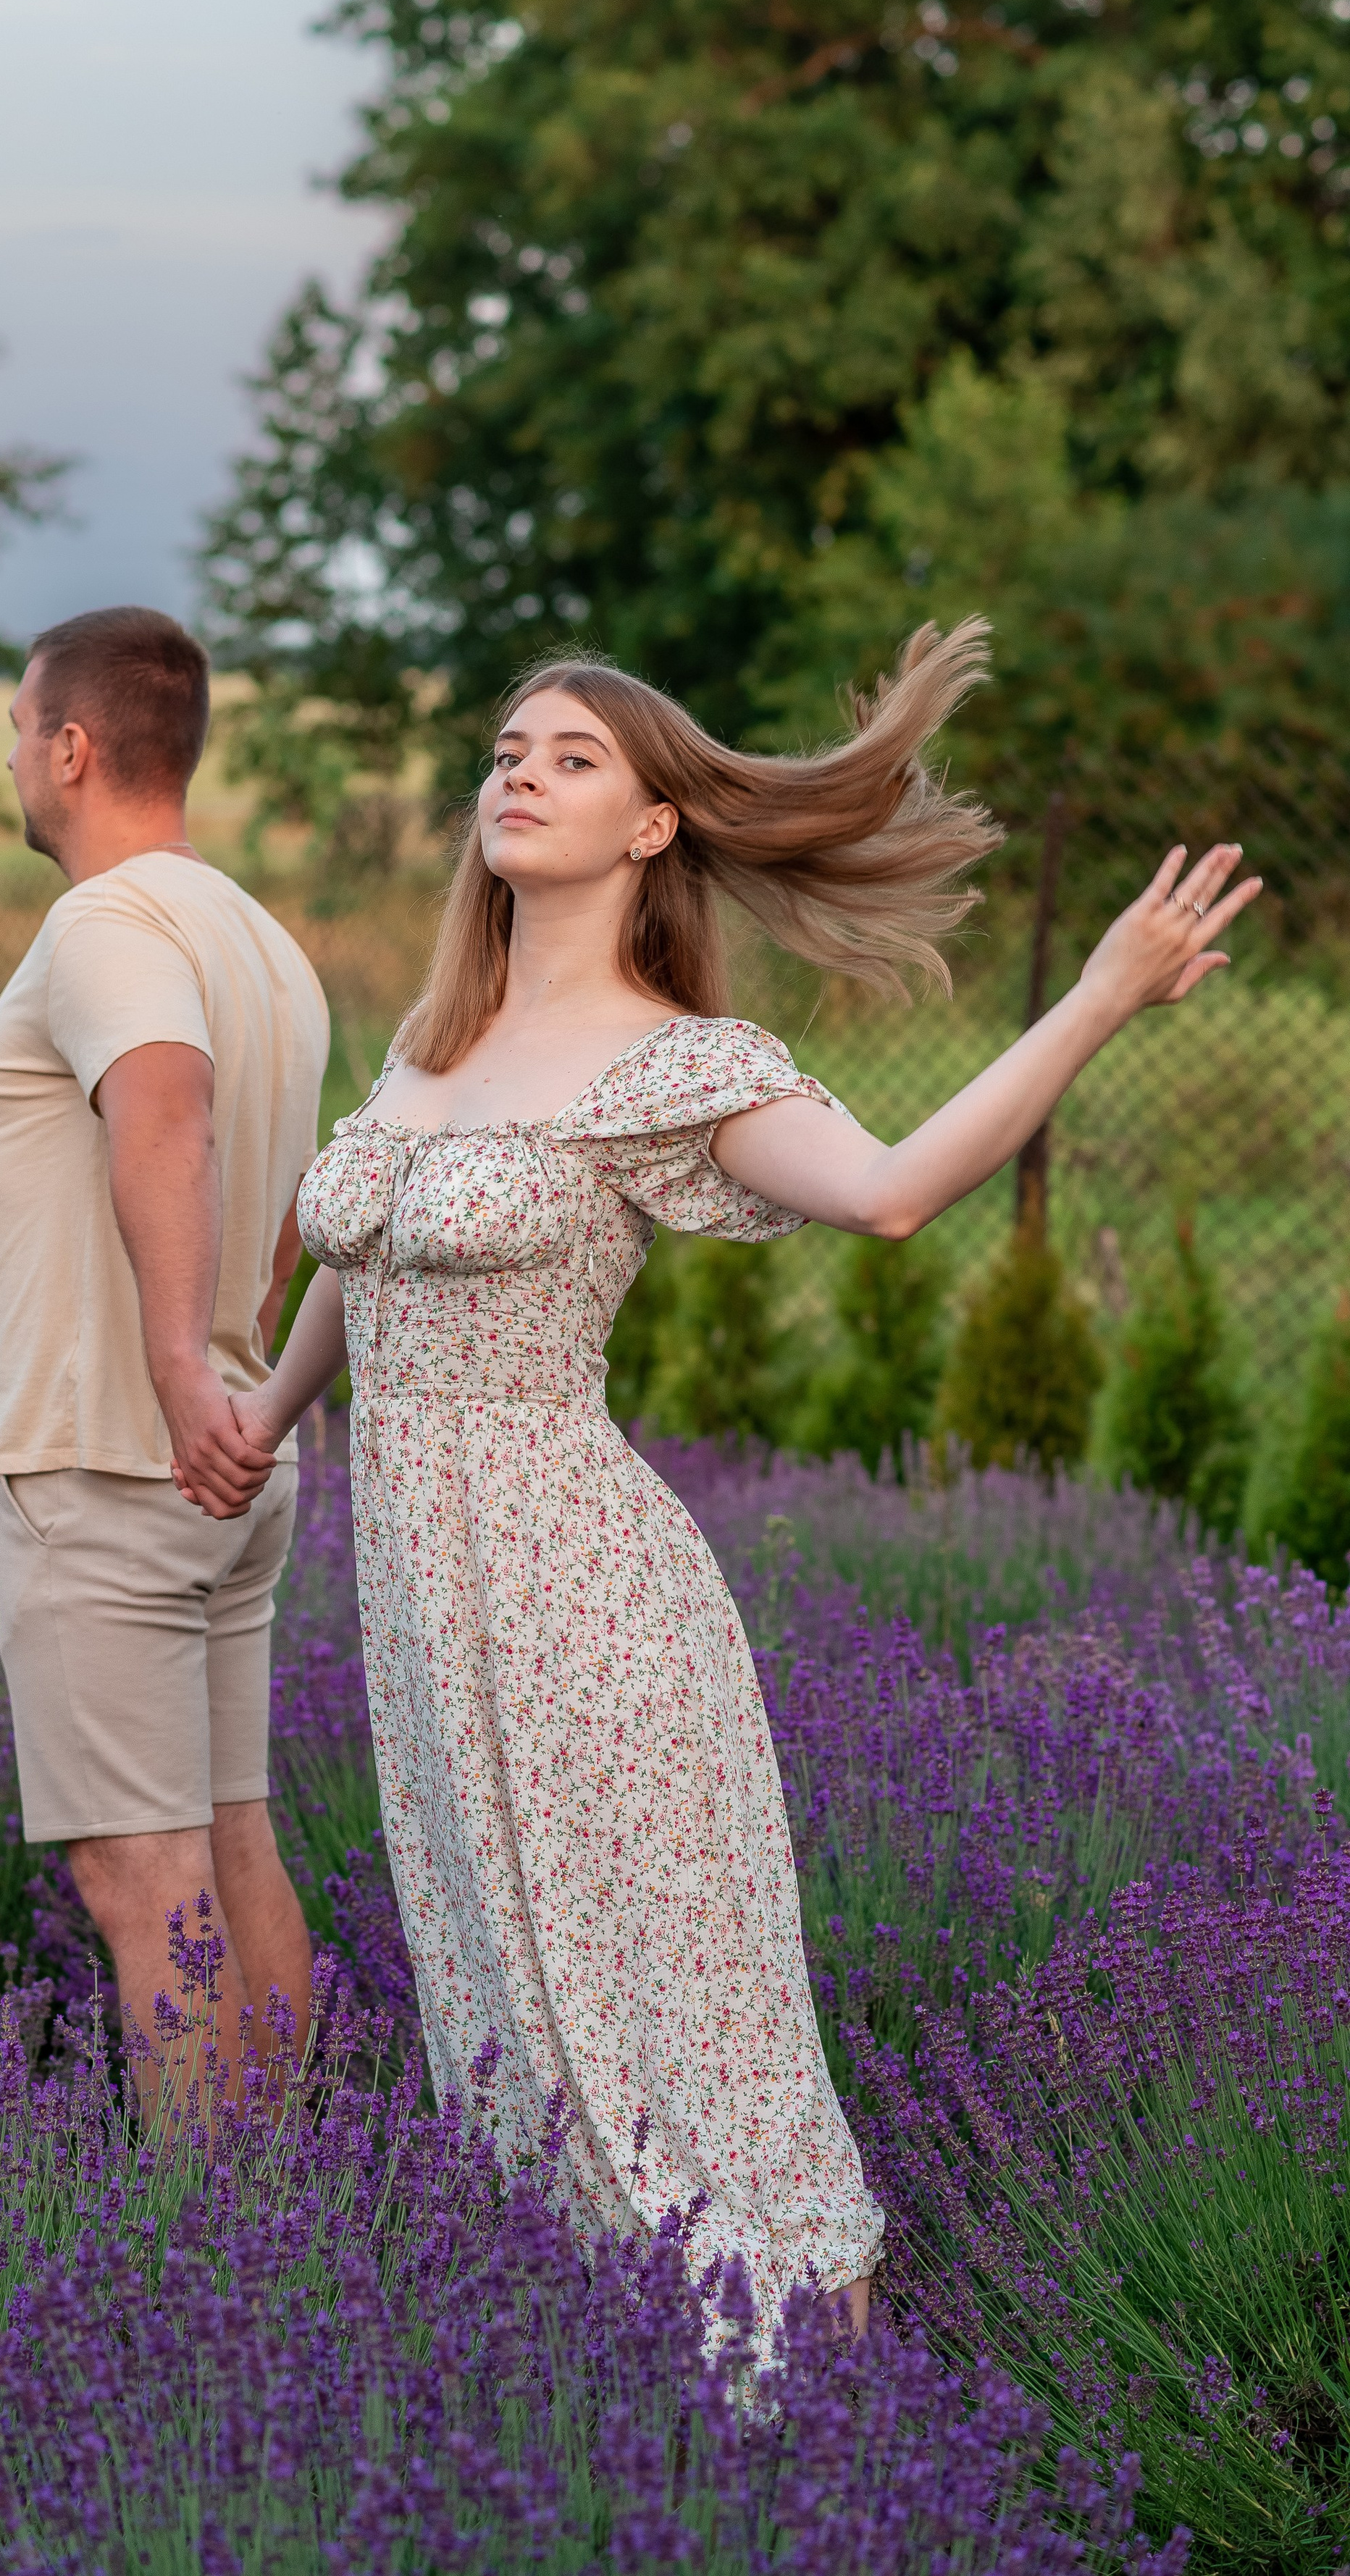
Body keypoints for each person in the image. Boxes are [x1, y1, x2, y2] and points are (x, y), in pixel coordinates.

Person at [179, 615, 1258, 2352]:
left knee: (660, 1999)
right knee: (501, 1991)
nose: (518, 771)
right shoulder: (428, 1046)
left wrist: (1099, 997)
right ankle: (597, 2378)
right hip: (423, 1608)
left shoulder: (674, 1062)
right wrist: (266, 1414)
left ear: (651, 826)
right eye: (507, 750)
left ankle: (804, 2382)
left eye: (571, 756)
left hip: (585, 1598)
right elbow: (357, 1257)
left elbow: (895, 1190)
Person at [0, 604, 330, 2116]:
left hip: (117, 1457)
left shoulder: (104, 925)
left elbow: (163, 1104)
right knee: (235, 1845)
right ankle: (284, 2214)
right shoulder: (262, 939)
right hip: (234, 1463)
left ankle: (203, 2268)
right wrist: (229, 1353)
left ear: (71, 744)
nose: (12, 762)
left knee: (137, 1879)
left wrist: (176, 1360)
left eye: (12, 735)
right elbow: (303, 1197)